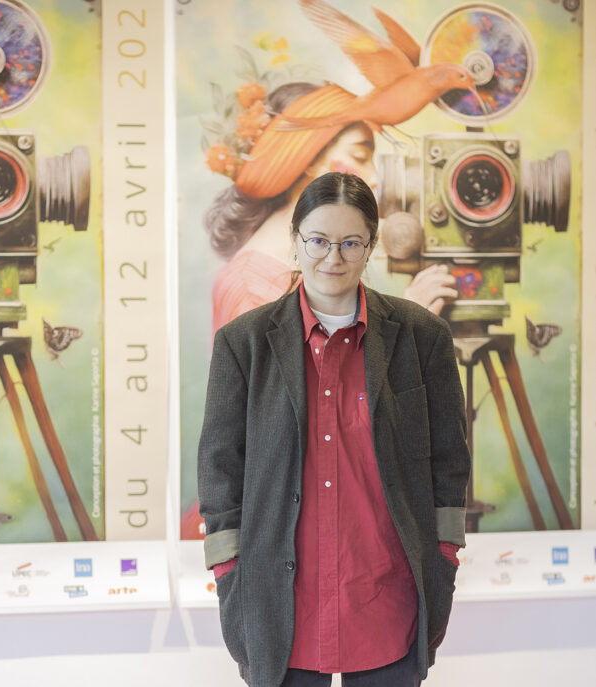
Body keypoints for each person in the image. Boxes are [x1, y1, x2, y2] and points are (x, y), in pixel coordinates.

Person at [197, 171, 471, 687]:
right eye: (318, 240)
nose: (333, 257)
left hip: (385, 589)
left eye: (351, 241)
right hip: (283, 598)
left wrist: (442, 559)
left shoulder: (417, 337)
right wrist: (228, 573)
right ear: (297, 242)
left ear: (370, 246)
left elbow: (448, 462)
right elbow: (219, 468)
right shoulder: (246, 343)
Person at [182, 81, 457, 539]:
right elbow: (311, 430)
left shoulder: (307, 272)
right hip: (280, 528)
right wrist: (401, 334)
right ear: (308, 156)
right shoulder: (253, 289)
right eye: (360, 155)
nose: (374, 178)